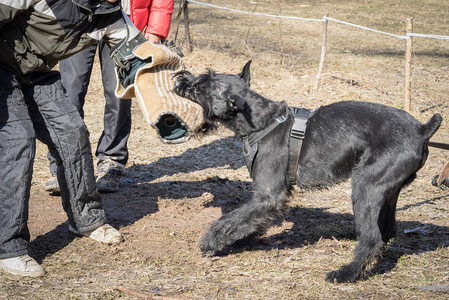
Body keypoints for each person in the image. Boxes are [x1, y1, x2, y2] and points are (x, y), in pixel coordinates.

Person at [0, 0, 157, 278]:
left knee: (73, 132)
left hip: (36, 73)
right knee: (18, 141)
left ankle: (87, 219)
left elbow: (142, 56)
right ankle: (9, 246)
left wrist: (172, 83)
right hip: (1, 67)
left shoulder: (112, 17)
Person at [45, 0, 174, 194]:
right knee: (69, 91)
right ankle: (62, 162)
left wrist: (156, 27)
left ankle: (112, 161)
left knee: (119, 94)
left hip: (126, 19)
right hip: (80, 14)